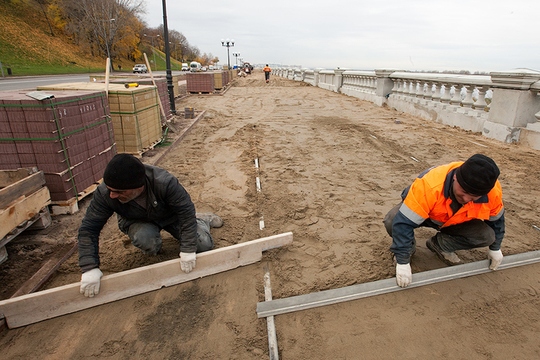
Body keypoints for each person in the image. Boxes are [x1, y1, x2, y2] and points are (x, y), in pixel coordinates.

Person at [78, 153, 223, 297]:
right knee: (145, 239)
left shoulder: (164, 182)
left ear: (138, 187)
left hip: (169, 216)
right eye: (110, 190)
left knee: (203, 245)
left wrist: (188, 248)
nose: (112, 195)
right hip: (135, 219)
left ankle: (202, 220)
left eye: (119, 192)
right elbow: (89, 228)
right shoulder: (105, 193)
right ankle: (154, 244)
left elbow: (185, 212)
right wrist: (89, 268)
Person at [383, 154, 505, 288]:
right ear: (455, 177)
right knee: (392, 220)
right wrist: (403, 260)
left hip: (456, 221)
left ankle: (440, 245)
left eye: (474, 196)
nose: (466, 198)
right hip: (426, 215)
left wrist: (495, 248)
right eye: (463, 191)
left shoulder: (492, 192)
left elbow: (496, 221)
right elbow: (403, 223)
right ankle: (409, 248)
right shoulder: (430, 185)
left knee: (487, 236)